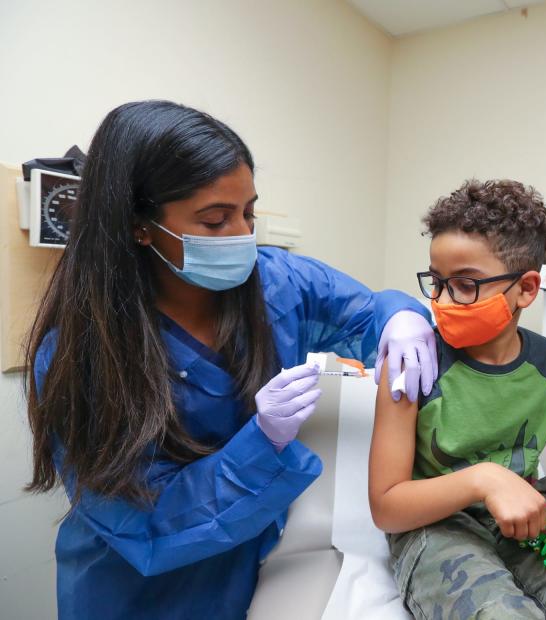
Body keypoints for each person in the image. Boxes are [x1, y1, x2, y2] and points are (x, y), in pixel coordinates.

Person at [25, 100, 438, 619]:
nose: (243, 235)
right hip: (140, 593)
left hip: (254, 567)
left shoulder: (275, 281)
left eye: (248, 212)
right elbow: (146, 527)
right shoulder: (80, 356)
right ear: (139, 225)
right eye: (216, 220)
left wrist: (401, 316)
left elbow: (364, 311)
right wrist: (262, 445)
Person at [368, 179, 546, 619]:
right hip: (436, 528)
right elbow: (386, 506)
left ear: (527, 289)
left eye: (464, 284)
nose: (441, 301)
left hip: (529, 521)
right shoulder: (413, 363)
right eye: (435, 282)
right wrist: (485, 480)